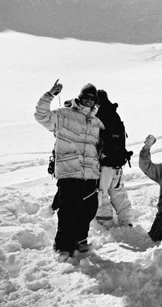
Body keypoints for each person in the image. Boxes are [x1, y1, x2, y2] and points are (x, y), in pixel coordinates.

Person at [34, 80, 103, 258]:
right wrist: (50, 95)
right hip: (69, 172)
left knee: (89, 209)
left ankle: (80, 239)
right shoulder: (64, 115)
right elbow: (41, 116)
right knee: (68, 213)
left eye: (92, 99)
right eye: (86, 98)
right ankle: (63, 246)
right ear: (80, 98)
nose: (89, 101)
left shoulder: (96, 122)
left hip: (90, 175)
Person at [94, 89, 134, 228]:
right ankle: (126, 219)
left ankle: (106, 222)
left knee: (102, 192)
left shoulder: (98, 116)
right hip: (118, 162)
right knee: (118, 192)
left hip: (104, 163)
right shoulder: (114, 114)